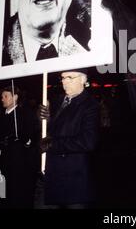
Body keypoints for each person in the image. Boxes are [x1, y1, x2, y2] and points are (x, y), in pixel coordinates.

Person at [36, 69, 100, 208]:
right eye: (63, 77)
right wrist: (43, 120)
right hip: (50, 174)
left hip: (74, 178)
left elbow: (88, 141)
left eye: (69, 77)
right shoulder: (57, 100)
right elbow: (50, 131)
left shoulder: (90, 105)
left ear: (83, 80)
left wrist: (53, 144)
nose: (64, 81)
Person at [0, 86, 37, 208]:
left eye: (6, 96)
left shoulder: (25, 114)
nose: (2, 99)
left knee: (16, 197)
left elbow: (32, 140)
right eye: (2, 97)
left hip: (18, 166)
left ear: (15, 97)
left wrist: (25, 139)